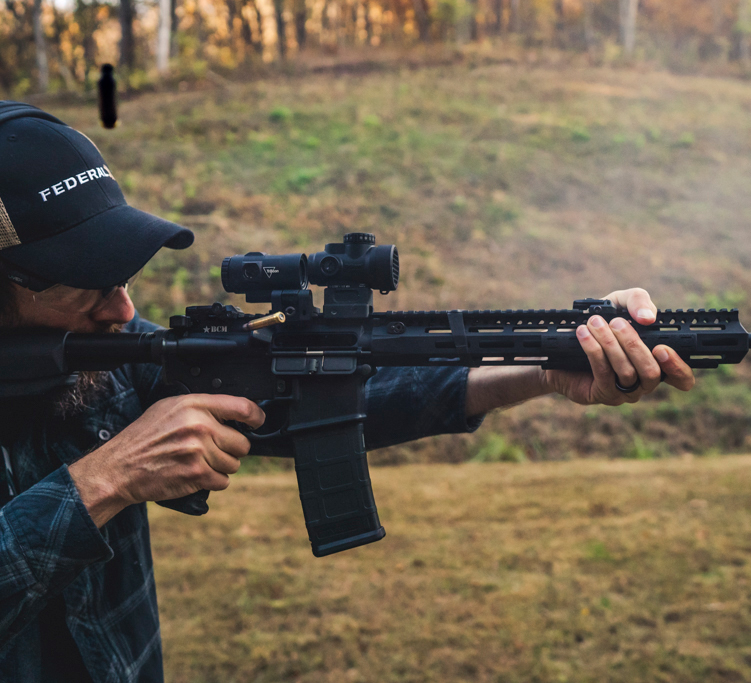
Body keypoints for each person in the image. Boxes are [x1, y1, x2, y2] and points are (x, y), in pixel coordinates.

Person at [0, 102, 695, 682]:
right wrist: (103, 481)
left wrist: (542, 368)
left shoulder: (111, 356)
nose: (121, 309)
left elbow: (329, 395)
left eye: (123, 275)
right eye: (85, 282)